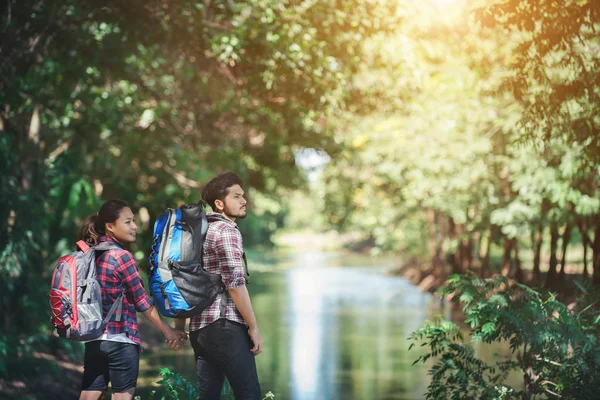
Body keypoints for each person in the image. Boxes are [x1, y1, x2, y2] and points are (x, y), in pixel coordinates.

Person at [79, 199, 188, 400]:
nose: (135, 227)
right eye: (128, 222)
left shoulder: (88, 255)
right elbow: (142, 303)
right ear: (110, 226)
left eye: (134, 221)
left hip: (94, 340)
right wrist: (169, 331)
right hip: (121, 340)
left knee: (88, 395)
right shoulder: (122, 257)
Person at [175, 172, 263, 400]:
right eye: (237, 196)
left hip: (199, 329)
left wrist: (180, 324)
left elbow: (185, 279)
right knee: (249, 394)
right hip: (225, 325)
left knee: (208, 396)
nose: (244, 201)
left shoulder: (197, 232)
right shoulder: (226, 231)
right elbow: (234, 284)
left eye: (243, 196)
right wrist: (253, 327)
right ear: (219, 204)